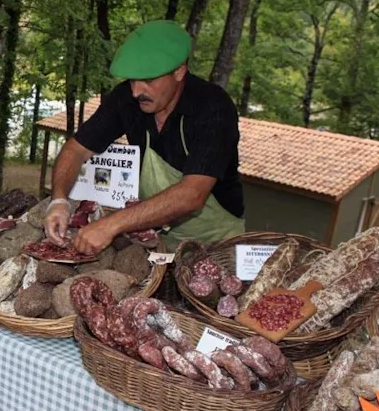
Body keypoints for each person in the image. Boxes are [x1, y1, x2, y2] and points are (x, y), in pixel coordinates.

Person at [44, 20, 245, 254]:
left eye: (148, 80)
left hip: (215, 241)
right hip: (151, 235)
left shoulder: (213, 107)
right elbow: (76, 149)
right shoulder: (126, 99)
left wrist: (111, 224)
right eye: (132, 80)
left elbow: (192, 194)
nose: (136, 91)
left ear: (179, 71)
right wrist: (59, 200)